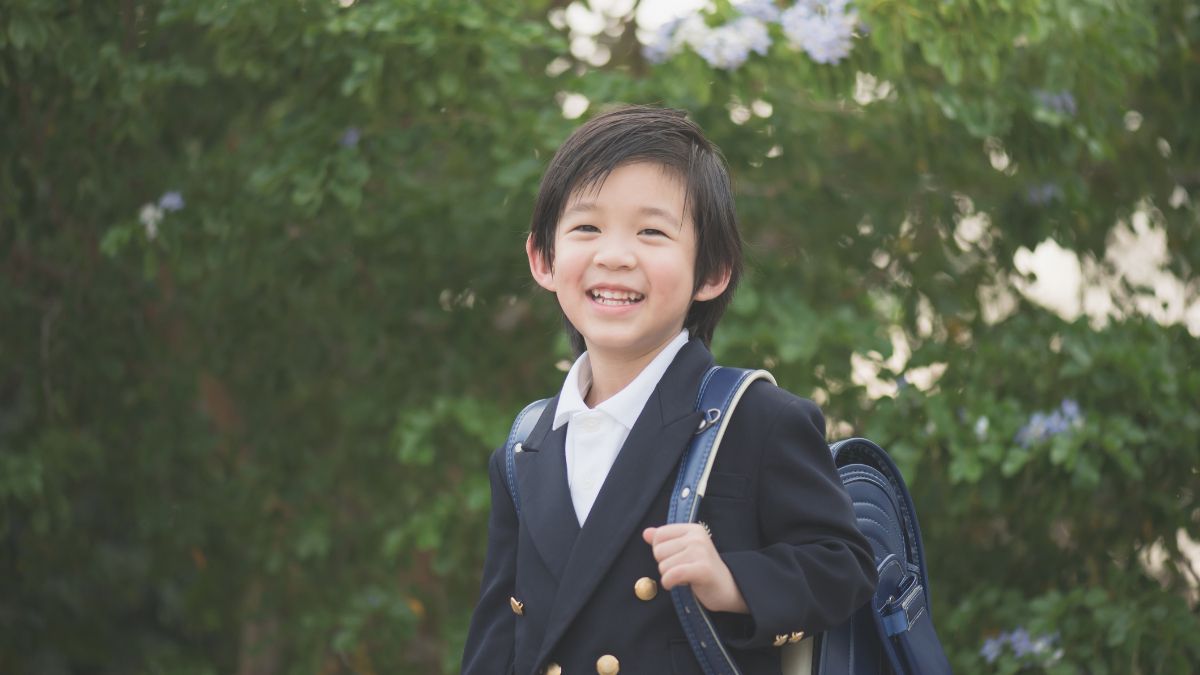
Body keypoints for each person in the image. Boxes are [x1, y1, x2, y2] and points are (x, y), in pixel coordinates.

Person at [462, 105, 876, 675]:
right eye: (586, 227)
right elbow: (498, 637)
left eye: (652, 232)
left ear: (713, 272)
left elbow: (844, 566)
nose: (614, 255)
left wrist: (730, 581)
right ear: (543, 259)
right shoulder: (523, 446)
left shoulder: (754, 418)